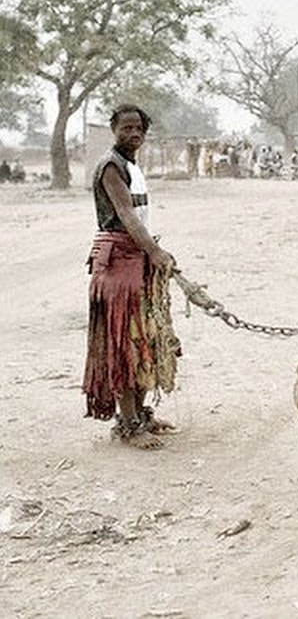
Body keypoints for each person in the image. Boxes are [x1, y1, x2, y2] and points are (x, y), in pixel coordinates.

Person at [82, 104, 180, 450]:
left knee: (143, 341)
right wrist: (155, 251)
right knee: (124, 342)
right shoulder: (111, 166)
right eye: (126, 128)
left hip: (135, 257)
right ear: (114, 129)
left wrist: (151, 254)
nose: (133, 134)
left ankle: (139, 414)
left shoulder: (131, 166)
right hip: (118, 260)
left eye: (138, 128)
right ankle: (127, 424)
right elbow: (125, 215)